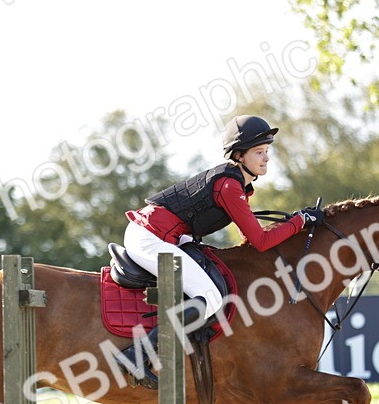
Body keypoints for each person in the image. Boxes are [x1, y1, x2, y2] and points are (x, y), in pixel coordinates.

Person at [117, 114, 321, 389]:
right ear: (239, 155)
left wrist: (294, 224)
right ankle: (137, 355)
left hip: (166, 238)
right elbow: (260, 241)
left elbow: (250, 240)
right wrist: (299, 222)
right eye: (259, 152)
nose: (266, 158)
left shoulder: (239, 185)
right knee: (210, 299)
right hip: (150, 239)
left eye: (267, 151)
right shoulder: (229, 185)